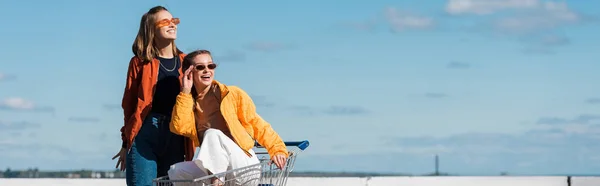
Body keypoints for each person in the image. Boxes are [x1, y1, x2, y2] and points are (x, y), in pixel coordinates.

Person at [166, 49, 289, 186]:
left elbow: (256, 123)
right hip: (217, 168)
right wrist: (185, 92)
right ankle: (216, 180)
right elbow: (180, 127)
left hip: (244, 167)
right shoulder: (189, 102)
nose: (207, 70)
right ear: (189, 72)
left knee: (212, 134)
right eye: (200, 67)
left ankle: (217, 182)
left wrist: (277, 149)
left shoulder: (231, 94)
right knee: (177, 171)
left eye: (211, 66)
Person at [111, 5, 195, 186]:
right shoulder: (139, 63)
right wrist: (126, 142)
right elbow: (129, 106)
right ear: (151, 29)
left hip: (176, 136)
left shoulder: (186, 61)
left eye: (174, 21)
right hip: (145, 134)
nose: (172, 25)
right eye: (165, 21)